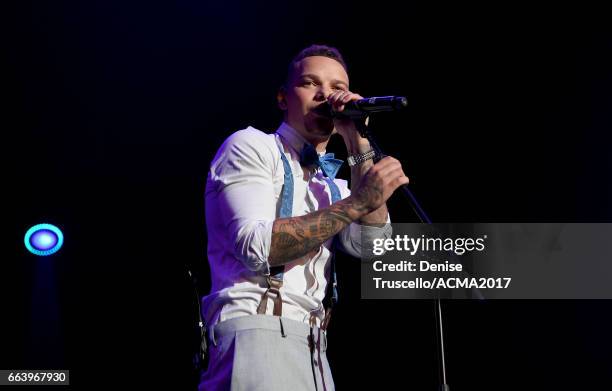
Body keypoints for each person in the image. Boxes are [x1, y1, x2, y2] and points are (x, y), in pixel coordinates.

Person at [199, 44, 409, 391]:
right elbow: (258, 247)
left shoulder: (333, 184)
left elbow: (372, 248)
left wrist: (358, 145)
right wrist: (356, 203)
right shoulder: (251, 146)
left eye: (338, 89)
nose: (326, 94)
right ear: (283, 97)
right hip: (257, 330)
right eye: (311, 83)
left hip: (315, 348)